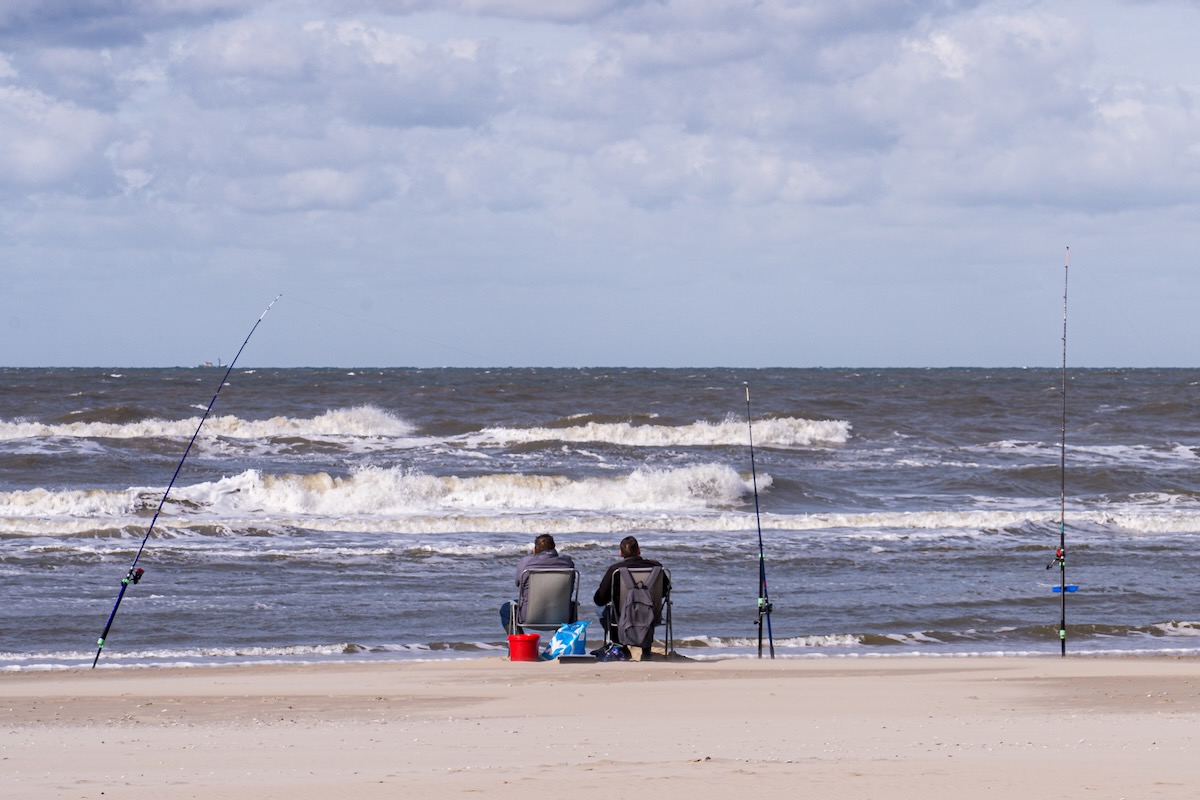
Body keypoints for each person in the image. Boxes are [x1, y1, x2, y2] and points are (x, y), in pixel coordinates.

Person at [593, 535, 669, 658]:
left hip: (623, 617)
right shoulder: (657, 567)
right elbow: (665, 592)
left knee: (601, 609)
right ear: (639, 551)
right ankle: (646, 650)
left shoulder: (616, 569)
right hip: (651, 615)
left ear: (620, 553)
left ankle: (621, 646)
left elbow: (600, 599)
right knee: (644, 610)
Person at [499, 534, 575, 632]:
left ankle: (521, 646)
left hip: (529, 616)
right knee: (567, 604)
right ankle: (562, 644)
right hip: (562, 616)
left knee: (506, 609)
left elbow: (518, 583)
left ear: (535, 550)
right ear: (554, 548)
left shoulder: (526, 562)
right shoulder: (567, 562)